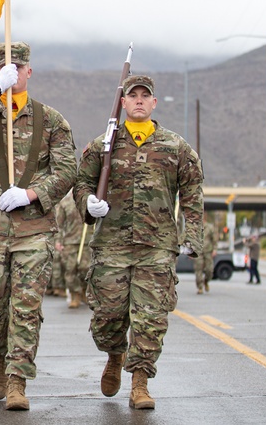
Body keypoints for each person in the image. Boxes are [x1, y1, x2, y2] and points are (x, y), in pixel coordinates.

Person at [0, 41, 78, 411]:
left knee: (26, 306)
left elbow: (67, 170)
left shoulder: (51, 120)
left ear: (29, 72)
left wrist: (31, 193)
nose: (15, 73)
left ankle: (17, 380)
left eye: (20, 68)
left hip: (33, 227)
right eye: (6, 69)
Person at [74, 74, 204, 411]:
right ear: (123, 102)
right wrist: (88, 203)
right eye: (134, 96)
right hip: (111, 246)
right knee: (107, 316)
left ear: (154, 103)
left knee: (151, 318)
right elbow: (82, 182)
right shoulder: (104, 145)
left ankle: (140, 382)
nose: (140, 100)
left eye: (146, 96)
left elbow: (192, 193)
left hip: (156, 248)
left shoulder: (175, 147)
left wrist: (193, 235)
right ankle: (114, 356)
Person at [55, 190, 90, 309]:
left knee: (86, 268)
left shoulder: (89, 199)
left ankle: (84, 290)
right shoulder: (65, 202)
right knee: (70, 269)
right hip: (69, 241)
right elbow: (59, 224)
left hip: (86, 240)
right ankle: (75, 295)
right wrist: (58, 241)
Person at [194, 221, 217, 294]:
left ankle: (206, 281)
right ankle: (200, 287)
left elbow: (214, 239)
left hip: (208, 251)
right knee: (198, 269)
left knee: (209, 270)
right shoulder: (195, 227)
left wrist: (215, 249)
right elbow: (191, 239)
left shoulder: (210, 227)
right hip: (198, 252)